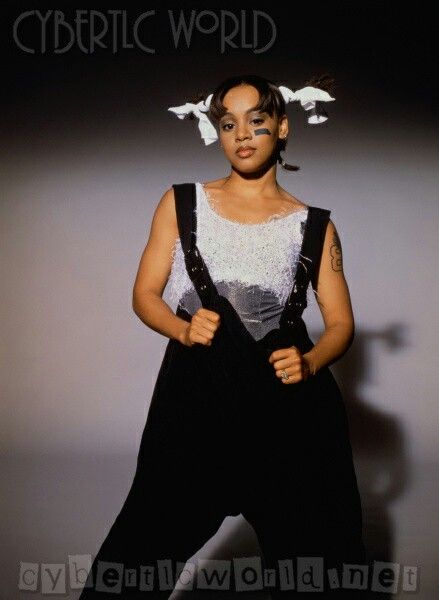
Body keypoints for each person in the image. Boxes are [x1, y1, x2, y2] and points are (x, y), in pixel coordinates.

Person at [78, 74, 370, 599]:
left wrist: (310, 362)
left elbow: (342, 323)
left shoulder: (314, 225)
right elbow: (144, 294)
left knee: (314, 550)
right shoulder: (181, 202)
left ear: (282, 127)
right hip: (197, 394)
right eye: (229, 124)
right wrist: (182, 328)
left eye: (257, 121)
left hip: (284, 404)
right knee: (147, 534)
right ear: (217, 132)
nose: (243, 135)